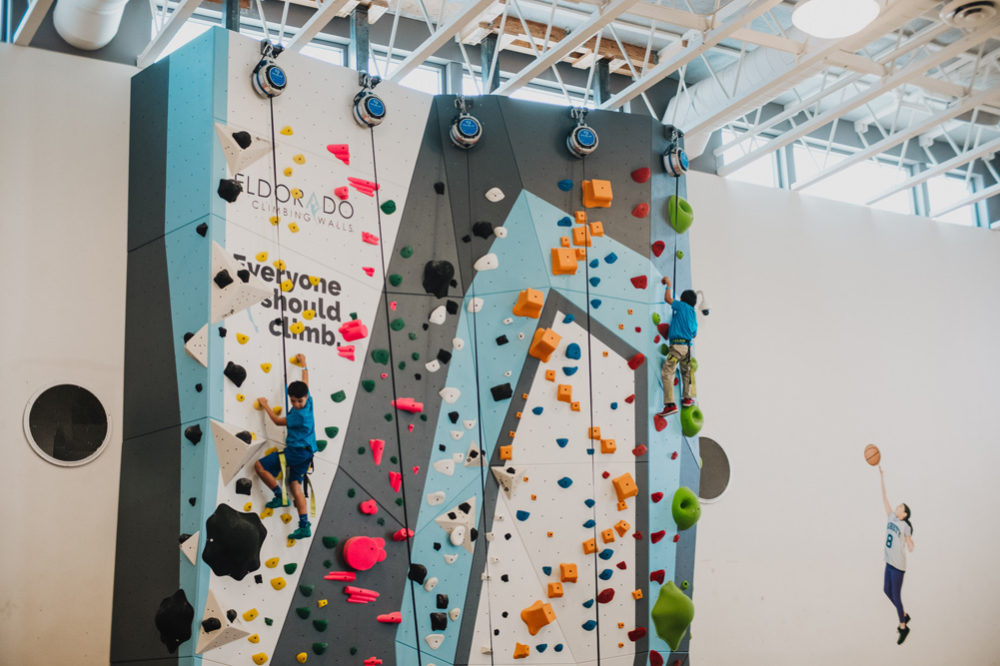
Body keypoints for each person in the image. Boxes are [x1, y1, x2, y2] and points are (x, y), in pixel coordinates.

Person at [254, 353, 315, 540]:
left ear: (304, 398)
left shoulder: (299, 416)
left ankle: (279, 495)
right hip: (307, 453)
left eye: (299, 401)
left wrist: (265, 405)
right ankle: (304, 525)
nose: (296, 404)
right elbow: (306, 382)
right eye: (294, 401)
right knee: (295, 483)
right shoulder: (309, 402)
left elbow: (278, 421)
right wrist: (303, 363)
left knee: (260, 466)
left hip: (296, 452)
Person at [879, 465, 914, 645]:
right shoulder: (891, 517)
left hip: (898, 566)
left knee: (897, 596)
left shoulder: (904, 525)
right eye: (898, 505)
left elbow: (909, 538)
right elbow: (884, 498)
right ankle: (904, 615)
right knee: (886, 591)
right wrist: (882, 477)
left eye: (900, 507)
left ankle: (903, 626)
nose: (897, 507)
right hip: (889, 562)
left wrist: (910, 543)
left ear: (904, 514)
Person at [657, 275, 698, 417]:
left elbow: (668, 299)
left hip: (677, 346)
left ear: (683, 299)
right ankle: (687, 398)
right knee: (687, 372)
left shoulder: (682, 306)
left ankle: (670, 404)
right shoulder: (693, 313)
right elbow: (694, 334)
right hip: (688, 348)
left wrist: (668, 285)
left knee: (668, 371)